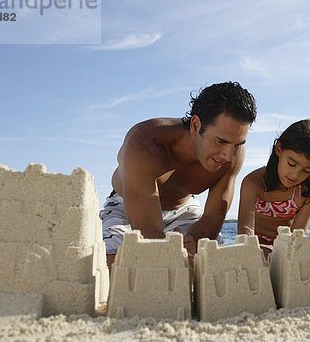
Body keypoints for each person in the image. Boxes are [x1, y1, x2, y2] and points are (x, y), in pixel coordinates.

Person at [101, 82, 257, 270]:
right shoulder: (145, 142)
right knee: (113, 265)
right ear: (196, 125)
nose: (228, 155)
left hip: (183, 209)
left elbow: (213, 216)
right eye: (221, 141)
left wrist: (193, 243)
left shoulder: (234, 155)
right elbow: (149, 230)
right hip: (127, 206)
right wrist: (169, 251)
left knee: (212, 265)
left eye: (237, 144)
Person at [237, 119, 310, 256]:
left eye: (306, 171)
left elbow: (296, 237)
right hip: (256, 240)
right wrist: (256, 249)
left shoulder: (309, 192)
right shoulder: (253, 183)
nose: (295, 175)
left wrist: (280, 249)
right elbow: (245, 234)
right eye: (291, 164)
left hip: (288, 241)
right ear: (278, 149)